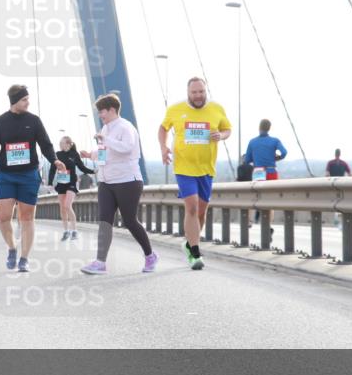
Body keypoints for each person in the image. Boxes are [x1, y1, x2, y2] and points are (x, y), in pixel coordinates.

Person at [0, 84, 66, 272]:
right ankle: (12, 248)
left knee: (26, 218)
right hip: (6, 175)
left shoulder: (34, 121)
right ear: (14, 101)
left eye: (28, 99)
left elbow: (46, 144)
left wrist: (54, 160)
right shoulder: (0, 122)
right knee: (3, 217)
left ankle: (24, 258)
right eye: (24, 100)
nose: (28, 103)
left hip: (28, 175)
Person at [158, 77, 232, 270]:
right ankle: (195, 253)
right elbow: (163, 128)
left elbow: (227, 128)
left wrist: (221, 136)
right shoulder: (175, 109)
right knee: (191, 207)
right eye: (194, 93)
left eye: (201, 92)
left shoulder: (217, 109)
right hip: (183, 167)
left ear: (205, 91)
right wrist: (164, 148)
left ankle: (190, 243)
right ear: (188, 93)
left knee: (201, 211)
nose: (198, 96)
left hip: (206, 168)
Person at [79, 94, 157, 274]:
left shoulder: (125, 127)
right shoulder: (105, 130)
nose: (100, 115)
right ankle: (100, 262)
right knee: (105, 221)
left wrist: (105, 140)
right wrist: (90, 154)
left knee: (129, 221)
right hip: (106, 182)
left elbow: (127, 148)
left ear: (112, 110)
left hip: (127, 180)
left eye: (102, 112)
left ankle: (150, 256)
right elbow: (105, 153)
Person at [244, 118, 287, 230]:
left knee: (254, 196)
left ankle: (250, 221)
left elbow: (247, 160)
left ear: (259, 127)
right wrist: (277, 157)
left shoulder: (252, 142)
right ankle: (268, 224)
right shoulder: (275, 141)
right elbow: (284, 152)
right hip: (271, 171)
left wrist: (256, 158)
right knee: (270, 199)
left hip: (258, 171)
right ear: (269, 128)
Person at [48, 135, 94, 240]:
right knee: (62, 208)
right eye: (59, 143)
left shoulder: (74, 154)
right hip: (61, 183)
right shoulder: (57, 155)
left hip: (71, 183)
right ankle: (66, 231)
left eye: (62, 143)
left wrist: (93, 171)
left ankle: (74, 231)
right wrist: (50, 183)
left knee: (67, 205)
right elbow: (52, 170)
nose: (60, 145)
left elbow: (82, 167)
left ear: (68, 144)